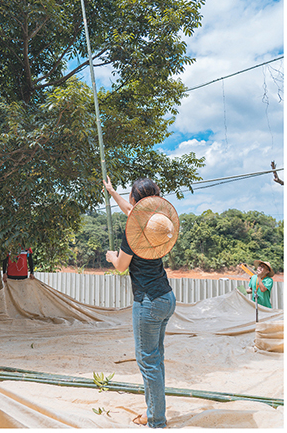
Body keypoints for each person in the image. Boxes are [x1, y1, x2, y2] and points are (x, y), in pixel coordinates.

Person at [103, 175, 179, 428]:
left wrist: (112, 257)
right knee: (156, 358)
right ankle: (153, 410)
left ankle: (156, 420)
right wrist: (112, 192)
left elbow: (122, 267)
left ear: (136, 200)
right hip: (167, 297)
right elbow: (131, 210)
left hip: (148, 302)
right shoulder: (156, 224)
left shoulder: (132, 235)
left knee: (148, 362)